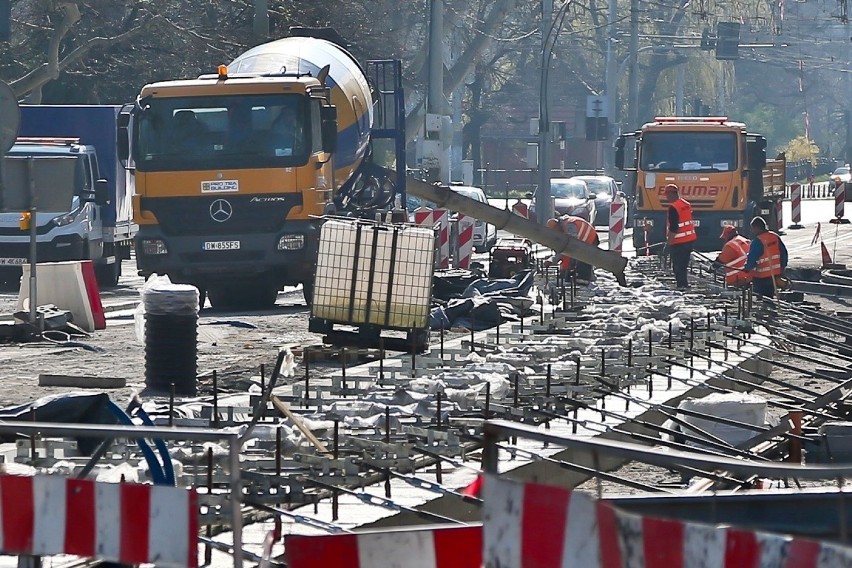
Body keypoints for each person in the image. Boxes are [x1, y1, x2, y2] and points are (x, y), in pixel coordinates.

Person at [545, 214, 599, 282]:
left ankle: (586, 279)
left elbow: (570, 246)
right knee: (575, 257)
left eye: (556, 231)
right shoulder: (564, 227)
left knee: (583, 261)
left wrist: (554, 259)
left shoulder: (569, 225)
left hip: (590, 240)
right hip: (583, 242)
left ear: (558, 225)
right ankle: (587, 277)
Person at [743, 216, 788, 298]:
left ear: (756, 228)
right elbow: (784, 254)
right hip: (775, 274)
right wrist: (782, 268)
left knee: (762, 298)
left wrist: (747, 268)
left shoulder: (757, 241)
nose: (752, 231)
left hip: (762, 277)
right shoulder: (775, 236)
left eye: (753, 228)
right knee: (770, 296)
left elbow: (752, 258)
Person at [664, 183, 697, 290]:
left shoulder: (673, 207)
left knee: (678, 266)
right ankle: (684, 285)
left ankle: (681, 286)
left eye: (667, 194)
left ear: (671, 194)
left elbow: (674, 228)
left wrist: (668, 244)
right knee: (683, 265)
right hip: (689, 240)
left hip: (678, 242)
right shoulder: (685, 204)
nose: (666, 197)